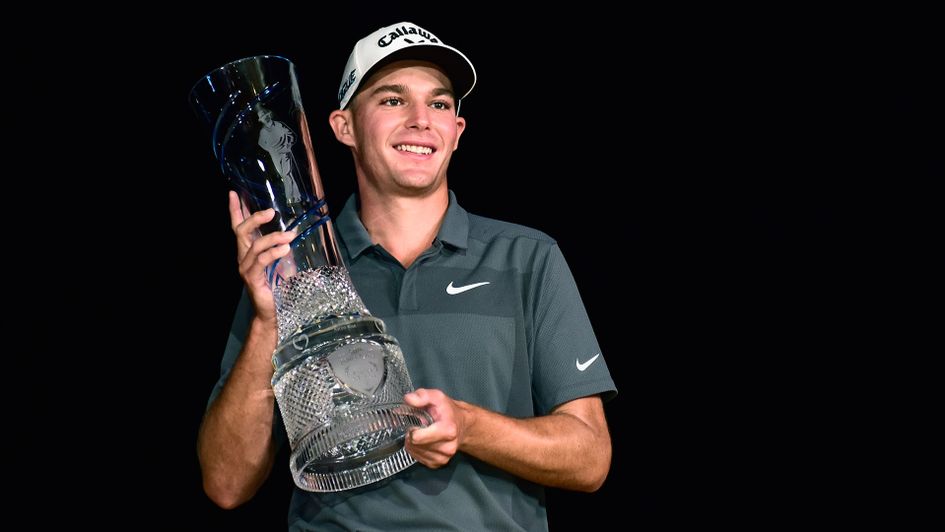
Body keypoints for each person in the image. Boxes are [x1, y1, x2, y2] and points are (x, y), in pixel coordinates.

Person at [197, 21, 617, 531]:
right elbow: (225, 483)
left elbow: (590, 457)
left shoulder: (527, 258)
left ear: (457, 132)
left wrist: (468, 426)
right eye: (393, 100)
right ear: (343, 127)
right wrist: (267, 320)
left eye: (439, 104)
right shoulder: (291, 270)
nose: (421, 120)